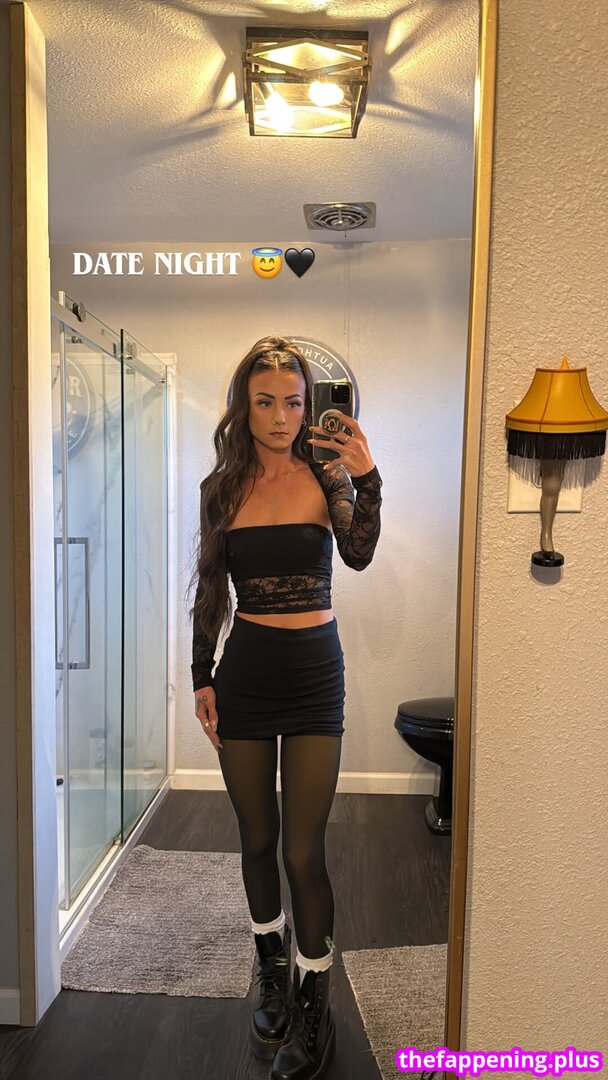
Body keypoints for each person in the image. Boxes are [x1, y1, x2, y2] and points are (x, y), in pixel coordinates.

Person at [189, 336, 382, 1080]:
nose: (279, 416)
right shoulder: (222, 488)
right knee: (257, 837)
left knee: (304, 850)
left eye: (292, 402)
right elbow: (211, 589)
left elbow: (358, 553)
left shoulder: (327, 476)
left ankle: (313, 996)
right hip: (245, 674)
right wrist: (202, 676)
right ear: (243, 406)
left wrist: (368, 478)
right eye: (264, 401)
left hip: (313, 677)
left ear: (308, 407)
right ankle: (271, 970)